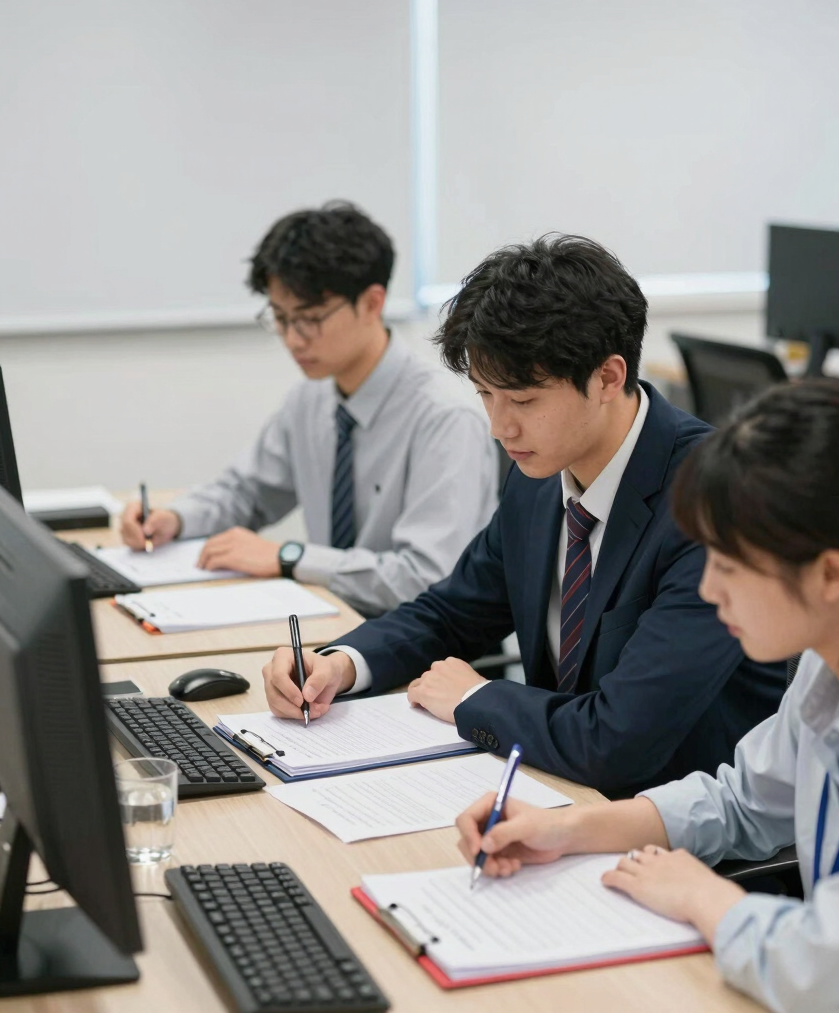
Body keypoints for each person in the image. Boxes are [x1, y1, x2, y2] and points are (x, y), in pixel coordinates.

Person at [456, 380, 839, 1013]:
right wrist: (566, 828)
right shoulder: (836, 663)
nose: (711, 589)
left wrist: (702, 895)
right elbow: (743, 801)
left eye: (729, 563)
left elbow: (821, 968)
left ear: (831, 574)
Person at [261, 234, 786, 797]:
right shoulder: (541, 472)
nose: (499, 427)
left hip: (671, 835)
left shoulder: (713, 507)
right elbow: (453, 612)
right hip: (547, 791)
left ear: (607, 377)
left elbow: (619, 742)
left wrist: (472, 697)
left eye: (523, 400)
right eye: (486, 395)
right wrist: (342, 664)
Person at [120, 202, 498, 617]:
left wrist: (291, 557)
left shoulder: (443, 417)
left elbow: (426, 577)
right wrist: (174, 518)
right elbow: (246, 492)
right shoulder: (312, 399)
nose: (293, 339)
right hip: (329, 619)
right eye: (280, 318)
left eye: (310, 318)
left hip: (415, 647)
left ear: (372, 303)